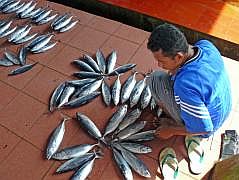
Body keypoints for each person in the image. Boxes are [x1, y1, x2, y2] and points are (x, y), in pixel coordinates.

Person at [146, 23, 232, 177]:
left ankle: (176, 123)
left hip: (208, 125)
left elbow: (206, 128)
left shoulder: (185, 84)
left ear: (178, 56)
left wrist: (171, 130)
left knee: (155, 79)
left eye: (162, 61)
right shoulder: (205, 45)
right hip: (223, 107)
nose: (159, 64)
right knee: (171, 78)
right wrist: (175, 70)